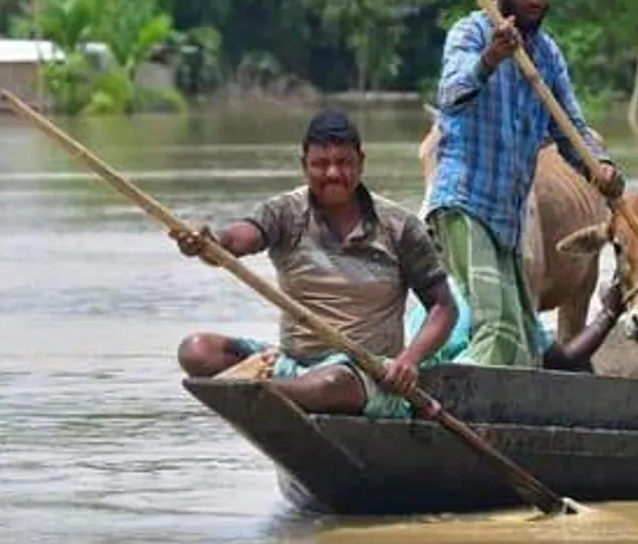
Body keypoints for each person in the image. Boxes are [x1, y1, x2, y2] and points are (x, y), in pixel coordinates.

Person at [172, 109, 459, 420]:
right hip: (292, 365)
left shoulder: (398, 226)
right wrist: (206, 243)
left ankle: (260, 393)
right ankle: (270, 391)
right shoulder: (286, 213)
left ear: (361, 163)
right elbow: (235, 241)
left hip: (364, 375)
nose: (333, 173)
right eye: (321, 164)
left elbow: (443, 307)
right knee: (196, 350)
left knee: (330, 384)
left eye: (344, 163)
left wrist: (409, 361)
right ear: (304, 167)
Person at [428, 0, 624, 368]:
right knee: (495, 327)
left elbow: (572, 130)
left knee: (522, 341)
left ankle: (488, 404)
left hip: (509, 217)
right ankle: (437, 404)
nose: (535, 0)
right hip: (465, 204)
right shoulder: (471, 33)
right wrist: (490, 59)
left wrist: (602, 168)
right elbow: (450, 95)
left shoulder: (548, 56)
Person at [405, 273, 628, 373]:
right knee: (580, 371)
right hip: (478, 395)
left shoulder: (427, 306)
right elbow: (565, 360)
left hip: (430, 393)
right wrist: (609, 313)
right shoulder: (506, 298)